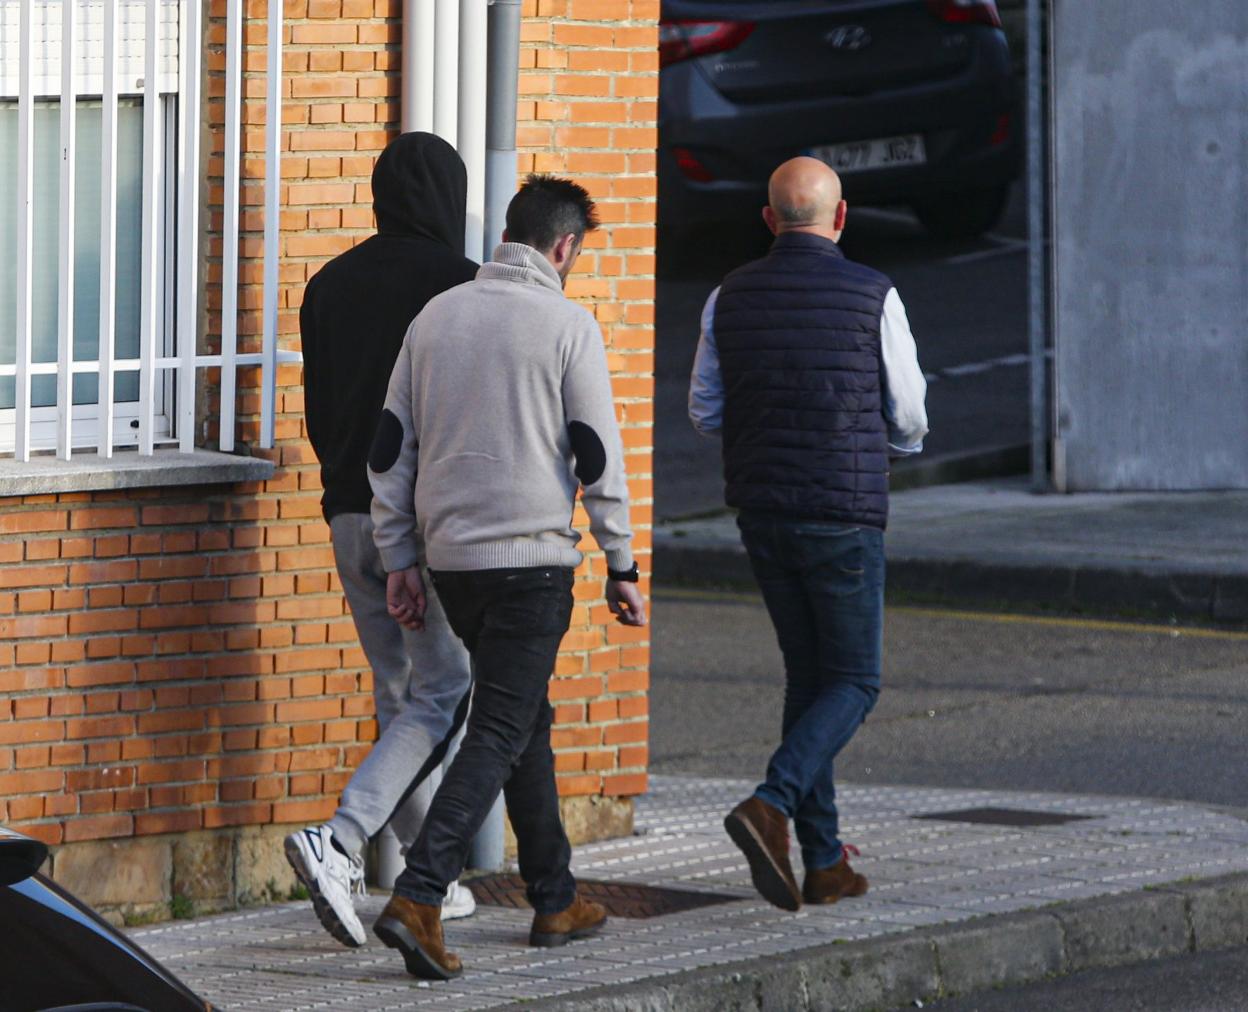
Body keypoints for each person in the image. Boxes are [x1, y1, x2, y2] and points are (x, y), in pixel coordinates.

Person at [366, 174, 647, 980]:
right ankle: (420, 896)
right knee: (498, 727)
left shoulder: (436, 316)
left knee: (526, 721)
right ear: (563, 248)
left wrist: (399, 559)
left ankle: (555, 897)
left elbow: (390, 452)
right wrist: (622, 562)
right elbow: (598, 456)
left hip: (453, 563)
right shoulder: (565, 323)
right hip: (530, 565)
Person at [688, 157, 928, 911]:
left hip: (762, 510)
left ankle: (824, 861)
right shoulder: (872, 293)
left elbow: (704, 409)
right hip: (843, 509)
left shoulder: (728, 296)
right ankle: (772, 801)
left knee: (808, 676)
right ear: (842, 217)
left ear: (768, 221)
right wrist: (887, 443)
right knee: (855, 681)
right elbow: (911, 414)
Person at [288, 132, 480, 948]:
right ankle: (346, 842)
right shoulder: (461, 287)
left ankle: (422, 874)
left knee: (398, 692)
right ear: (449, 196)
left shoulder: (328, 284)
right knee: (446, 693)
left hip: (345, 513)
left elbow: (318, 408)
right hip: (422, 521)